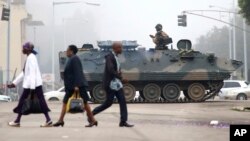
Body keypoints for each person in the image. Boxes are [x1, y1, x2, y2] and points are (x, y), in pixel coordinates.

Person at [7, 42, 52, 127]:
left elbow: (32, 73)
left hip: (32, 85)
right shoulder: (30, 58)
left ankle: (17, 121)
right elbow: (24, 73)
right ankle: (48, 119)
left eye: (23, 48)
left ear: (28, 49)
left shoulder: (31, 58)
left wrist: (32, 88)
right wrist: (14, 83)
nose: (22, 49)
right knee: (40, 101)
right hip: (34, 84)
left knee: (22, 101)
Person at [53, 45, 97, 127]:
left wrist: (76, 85)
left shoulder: (75, 59)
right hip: (72, 86)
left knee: (84, 103)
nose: (66, 52)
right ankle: (61, 120)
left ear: (71, 51)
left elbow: (78, 72)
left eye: (67, 50)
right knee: (66, 101)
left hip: (77, 85)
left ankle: (93, 120)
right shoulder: (71, 59)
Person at [92, 42, 134, 127]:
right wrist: (121, 78)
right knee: (108, 103)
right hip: (111, 84)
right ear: (115, 48)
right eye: (120, 47)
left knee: (122, 101)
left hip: (117, 84)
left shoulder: (115, 57)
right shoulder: (110, 57)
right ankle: (91, 113)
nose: (121, 49)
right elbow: (110, 70)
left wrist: (120, 76)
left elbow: (115, 69)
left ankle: (123, 121)